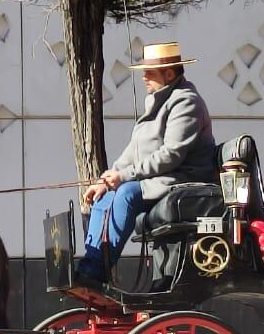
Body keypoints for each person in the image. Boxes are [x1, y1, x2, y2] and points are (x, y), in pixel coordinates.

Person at [75, 42, 218, 287]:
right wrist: (107, 178)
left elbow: (171, 154)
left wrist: (125, 177)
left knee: (127, 192)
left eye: (149, 72)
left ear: (169, 74)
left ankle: (97, 269)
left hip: (182, 181)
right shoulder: (157, 100)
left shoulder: (186, 102)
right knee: (106, 197)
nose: (143, 77)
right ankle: (92, 264)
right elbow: (134, 150)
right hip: (161, 179)